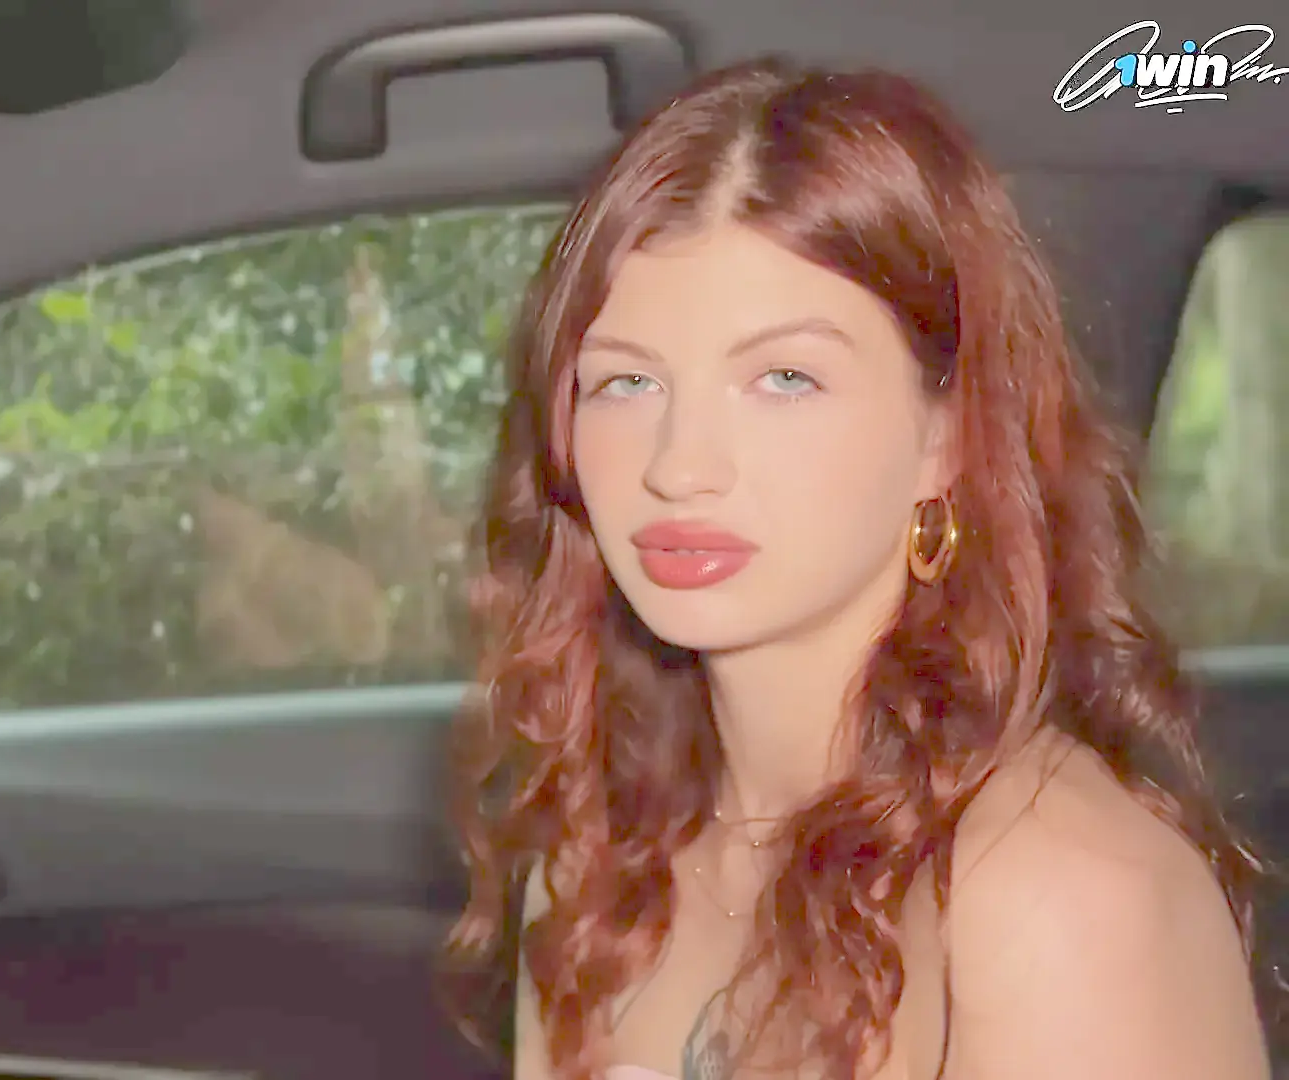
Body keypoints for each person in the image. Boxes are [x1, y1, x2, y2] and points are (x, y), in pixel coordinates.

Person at [440, 59, 1272, 1080]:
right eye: (624, 383)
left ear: (949, 438)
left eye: (785, 377)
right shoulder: (595, 870)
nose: (678, 466)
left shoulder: (1057, 897)